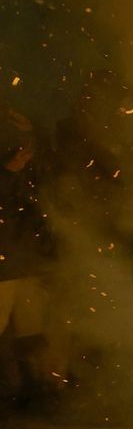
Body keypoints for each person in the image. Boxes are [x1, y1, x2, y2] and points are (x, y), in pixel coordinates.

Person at [1, 110, 57, 405]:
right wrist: (8, 172)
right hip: (5, 262)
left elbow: (36, 197)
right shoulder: (9, 171)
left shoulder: (29, 165)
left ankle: (34, 389)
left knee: (31, 329)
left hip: (24, 258)